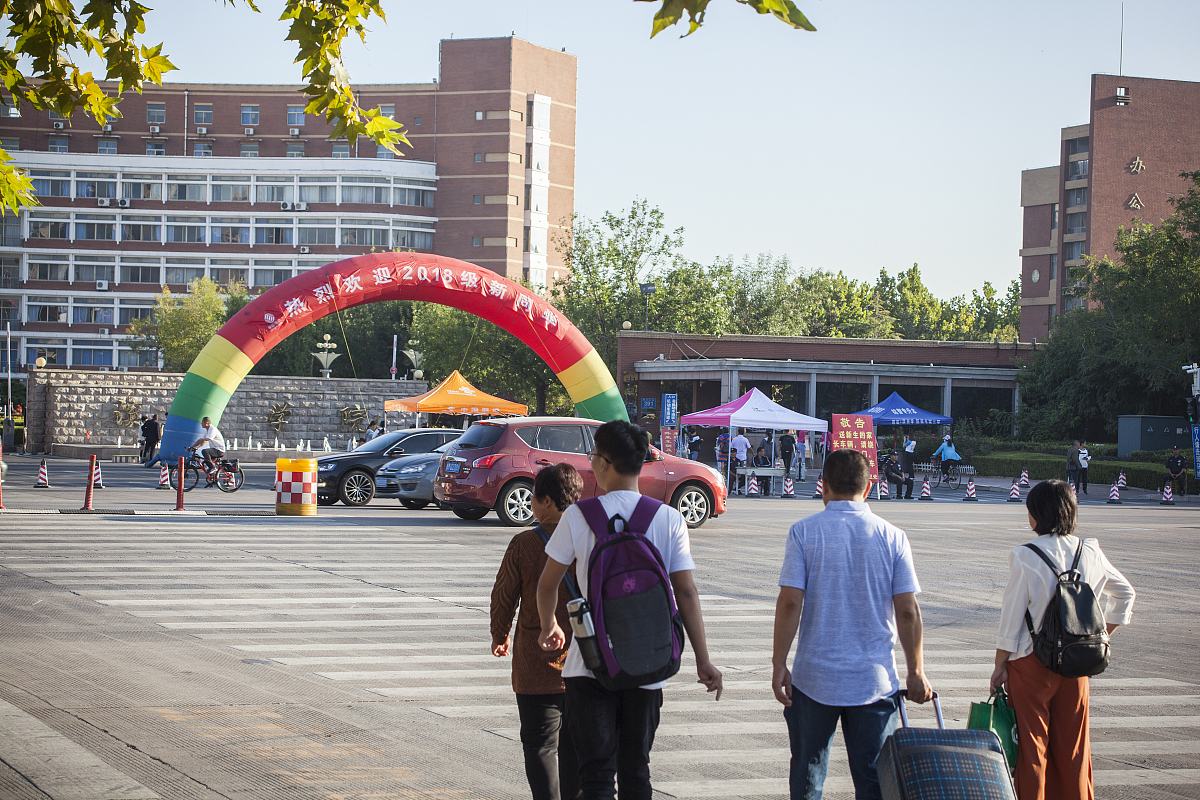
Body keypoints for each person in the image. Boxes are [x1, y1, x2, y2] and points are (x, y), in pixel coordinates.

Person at [536, 420, 723, 800]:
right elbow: (685, 592)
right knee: (636, 771)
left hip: (589, 665)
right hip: (649, 663)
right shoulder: (669, 518)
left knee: (597, 776)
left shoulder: (579, 515)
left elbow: (547, 584)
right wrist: (704, 660)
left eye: (593, 458)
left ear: (604, 462)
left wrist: (548, 626)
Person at [772, 447, 931, 799]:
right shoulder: (893, 536)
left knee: (808, 778)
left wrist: (779, 663)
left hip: (814, 679)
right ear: (870, 486)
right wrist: (916, 669)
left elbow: (790, 602)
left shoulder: (804, 532)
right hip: (873, 682)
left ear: (823, 485)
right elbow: (908, 610)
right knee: (876, 782)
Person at [990, 480, 1135, 800]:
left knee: (1032, 751)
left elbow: (1011, 620)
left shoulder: (1025, 556)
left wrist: (1000, 666)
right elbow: (1125, 594)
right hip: (1075, 663)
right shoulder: (1090, 551)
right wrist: (1100, 636)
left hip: (1030, 665)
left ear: (1035, 515)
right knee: (1074, 750)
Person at [491, 463, 584, 800]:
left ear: (545, 502)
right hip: (587, 664)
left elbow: (503, 596)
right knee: (576, 747)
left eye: (534, 497)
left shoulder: (524, 544)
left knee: (540, 745)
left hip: (537, 662)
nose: (531, 503)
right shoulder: (590, 541)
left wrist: (499, 635)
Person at [730, 429, 751, 495]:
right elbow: (749, 447)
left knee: (739, 473)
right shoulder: (745, 439)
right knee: (743, 472)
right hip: (743, 457)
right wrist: (753, 453)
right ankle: (737, 488)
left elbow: (731, 446)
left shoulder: (734, 439)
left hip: (737, 457)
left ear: (738, 432)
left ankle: (736, 488)